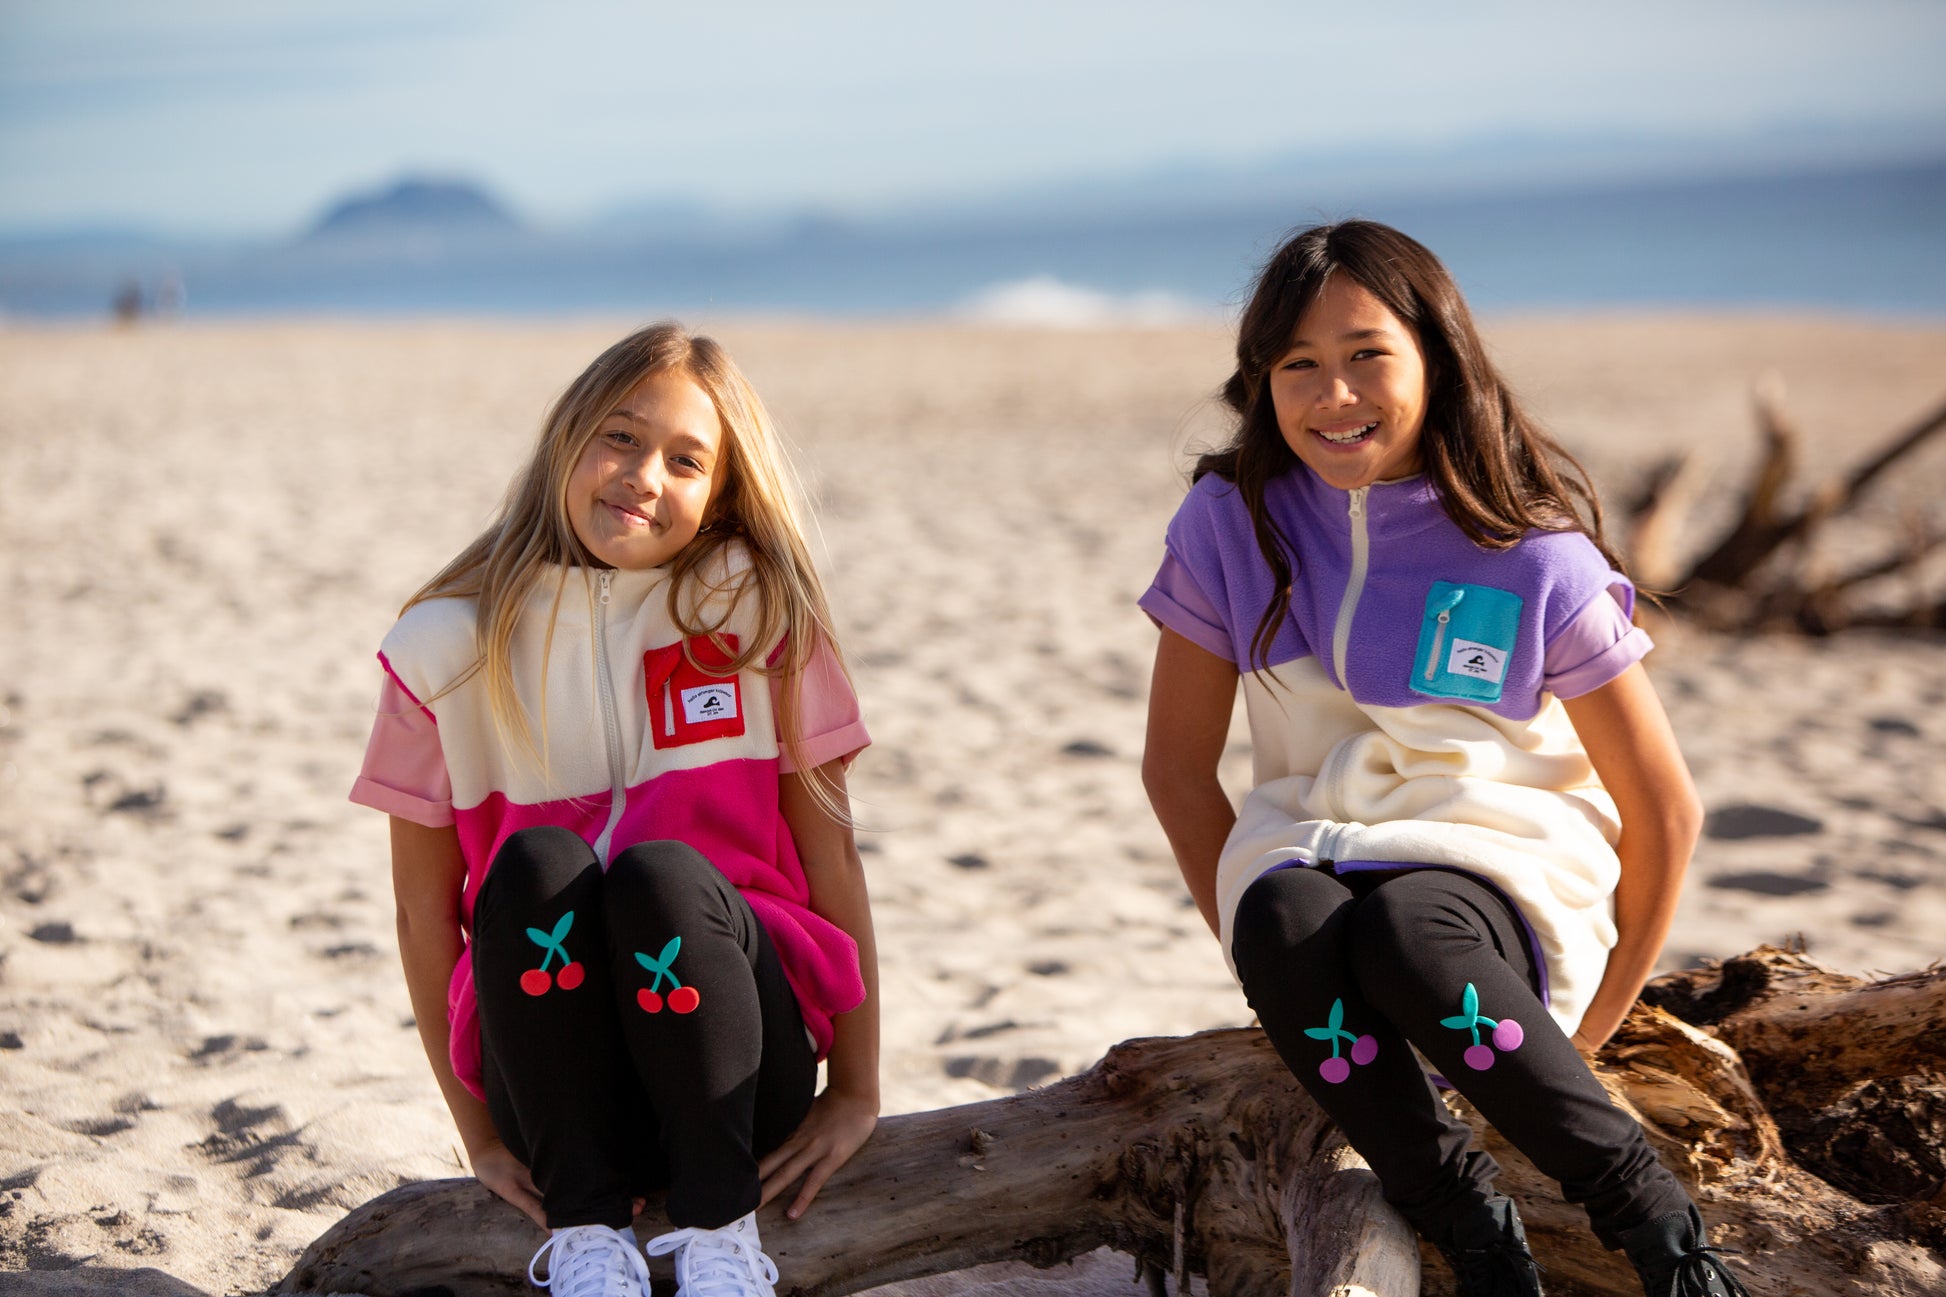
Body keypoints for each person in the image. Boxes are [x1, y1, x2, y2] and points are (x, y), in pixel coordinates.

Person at [1139, 222, 1747, 1297]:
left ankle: (1655, 1227)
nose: (1334, 395)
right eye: (1298, 366)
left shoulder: (1534, 552)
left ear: (1435, 353)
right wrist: (1262, 955)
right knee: (1283, 921)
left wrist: (1596, 1021)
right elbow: (1176, 774)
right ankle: (1468, 1226)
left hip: (1497, 867)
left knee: (1407, 932)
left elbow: (1662, 808)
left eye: (1366, 354)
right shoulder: (1227, 525)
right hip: (1305, 849)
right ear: (1261, 382)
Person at [351, 323, 879, 1297]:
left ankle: (723, 1240)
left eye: (686, 460)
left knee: (661, 876)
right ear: (568, 439)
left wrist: (855, 1089)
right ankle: (587, 1243)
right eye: (621, 437)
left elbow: (835, 862)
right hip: (552, 1094)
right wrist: (475, 1132)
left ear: (719, 493)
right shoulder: (441, 648)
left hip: (735, 1072)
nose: (643, 475)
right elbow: (424, 917)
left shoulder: (755, 617)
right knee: (535, 864)